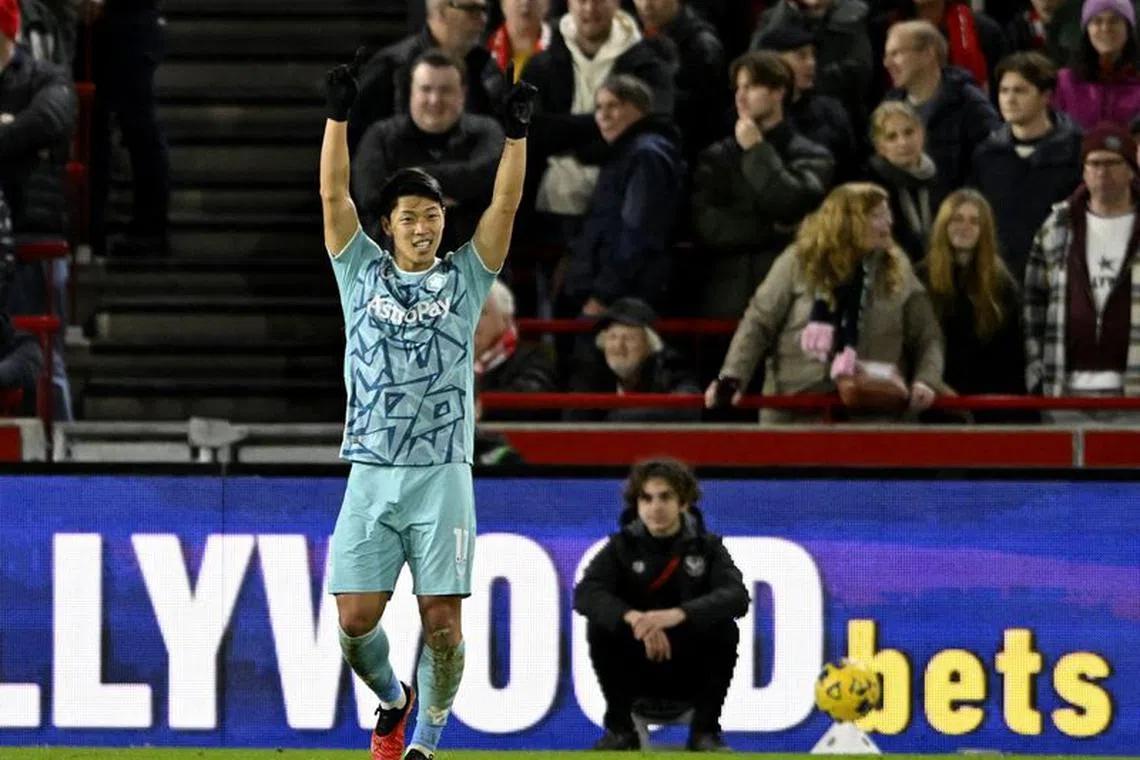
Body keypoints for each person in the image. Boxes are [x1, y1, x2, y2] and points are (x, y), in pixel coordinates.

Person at [320, 49, 538, 760]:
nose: (424, 226)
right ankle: (393, 699)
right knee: (355, 623)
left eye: (434, 215)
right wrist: (337, 116)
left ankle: (429, 742)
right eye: (411, 216)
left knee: (442, 622)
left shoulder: (468, 278)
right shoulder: (358, 271)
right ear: (387, 224)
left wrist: (515, 137)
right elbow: (332, 198)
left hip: (443, 472)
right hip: (371, 468)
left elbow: (504, 204)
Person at [705, 182, 946, 424]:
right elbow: (758, 324)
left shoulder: (898, 268)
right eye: (877, 216)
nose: (889, 223)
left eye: (888, 214)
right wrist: (732, 377)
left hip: (874, 416)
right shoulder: (797, 261)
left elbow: (928, 336)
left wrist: (926, 379)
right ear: (848, 221)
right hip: (797, 413)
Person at [573, 458, 749, 752]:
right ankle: (620, 730)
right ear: (637, 504)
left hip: (689, 668)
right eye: (646, 498)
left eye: (665, 497)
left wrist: (677, 615)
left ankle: (705, 732)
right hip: (636, 668)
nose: (655, 506)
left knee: (724, 628)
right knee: (600, 625)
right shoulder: (620, 548)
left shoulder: (708, 548)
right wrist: (634, 619)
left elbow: (736, 596)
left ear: (683, 503)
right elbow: (586, 593)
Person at [690, 51, 833, 319]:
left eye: (751, 87)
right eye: (738, 88)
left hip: (791, 295)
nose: (740, 97)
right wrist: (770, 230)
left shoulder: (813, 154)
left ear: (779, 92)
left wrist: (756, 149)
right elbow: (706, 225)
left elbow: (789, 204)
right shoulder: (715, 156)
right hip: (728, 298)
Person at [1024, 121, 1140, 422]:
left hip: (1134, 392)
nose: (1103, 172)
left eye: (1113, 163)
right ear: (1083, 171)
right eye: (1095, 163)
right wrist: (1037, 368)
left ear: (1131, 170)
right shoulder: (1057, 225)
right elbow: (1033, 303)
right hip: (1066, 389)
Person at [353, 49, 506, 254]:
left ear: (463, 93)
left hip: (473, 268)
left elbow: (491, 182)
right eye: (426, 89)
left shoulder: (487, 131)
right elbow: (369, 195)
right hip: (390, 270)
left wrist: (411, 182)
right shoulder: (380, 136)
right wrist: (454, 194)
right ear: (411, 93)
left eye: (445, 90)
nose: (435, 100)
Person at [917, 190, 1028, 421]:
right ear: (943, 225)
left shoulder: (1002, 284)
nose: (965, 227)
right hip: (935, 404)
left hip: (990, 407)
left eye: (974, 221)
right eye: (957, 219)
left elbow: (1012, 355)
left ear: (984, 230)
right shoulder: (920, 278)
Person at [971, 51, 1083, 280]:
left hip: (1061, 272)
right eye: (1004, 91)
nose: (1009, 99)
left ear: (1045, 96)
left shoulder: (1077, 150)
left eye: (1020, 90)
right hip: (1001, 276)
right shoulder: (987, 154)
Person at [881, 19, 1002, 190]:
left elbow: (993, 166)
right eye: (886, 55)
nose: (887, 64)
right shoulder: (888, 106)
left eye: (896, 54)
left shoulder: (969, 103)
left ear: (928, 54)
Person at [565, 297, 701, 422]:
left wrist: (620, 419)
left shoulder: (671, 366)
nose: (619, 346)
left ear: (650, 345)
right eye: (612, 337)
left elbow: (687, 407)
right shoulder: (590, 368)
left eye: (629, 338)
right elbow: (574, 417)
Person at [863, 100, 947, 262]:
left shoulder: (941, 176)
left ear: (921, 134)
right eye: (892, 137)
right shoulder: (871, 187)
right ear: (880, 147)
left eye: (909, 132)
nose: (903, 142)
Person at [1051, 0, 1140, 130]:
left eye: (1114, 21)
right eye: (1097, 21)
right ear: (1087, 30)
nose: (1105, 28)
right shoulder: (1064, 81)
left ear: (1128, 29)